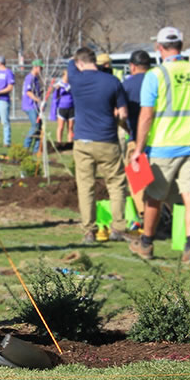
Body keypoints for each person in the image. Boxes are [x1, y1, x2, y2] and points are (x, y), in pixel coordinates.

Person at [130, 27, 190, 264]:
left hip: (164, 145)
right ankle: (189, 248)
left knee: (153, 197)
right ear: (181, 46)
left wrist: (138, 148)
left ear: (159, 48)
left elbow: (146, 116)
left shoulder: (156, 75)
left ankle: (146, 244)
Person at [59, 48, 128, 245]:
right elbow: (123, 113)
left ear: (80, 63)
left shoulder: (76, 78)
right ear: (95, 62)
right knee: (115, 185)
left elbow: (71, 63)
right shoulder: (113, 81)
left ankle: (89, 231)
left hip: (82, 141)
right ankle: (118, 228)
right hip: (107, 140)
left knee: (85, 187)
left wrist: (78, 60)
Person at [123, 51, 153, 149]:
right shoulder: (159, 81)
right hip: (158, 138)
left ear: (132, 66)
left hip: (136, 138)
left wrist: (127, 129)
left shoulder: (126, 85)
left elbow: (120, 114)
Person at [21, 59, 44, 153]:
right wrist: (37, 99)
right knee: (35, 125)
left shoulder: (36, 79)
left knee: (39, 127)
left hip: (35, 105)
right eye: (40, 67)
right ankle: (26, 147)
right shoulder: (29, 78)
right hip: (30, 105)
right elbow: (28, 92)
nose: (41, 69)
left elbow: (36, 92)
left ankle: (36, 149)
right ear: (35, 67)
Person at [46, 70, 74, 143]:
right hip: (62, 108)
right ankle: (59, 143)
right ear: (63, 76)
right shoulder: (59, 85)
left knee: (70, 127)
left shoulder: (72, 84)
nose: (68, 77)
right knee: (61, 127)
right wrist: (57, 90)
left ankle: (69, 143)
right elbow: (55, 97)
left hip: (71, 108)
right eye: (67, 75)